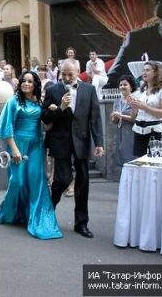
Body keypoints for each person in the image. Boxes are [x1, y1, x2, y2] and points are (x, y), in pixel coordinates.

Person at [0, 71, 62, 240]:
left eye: (30, 81)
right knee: (17, 181)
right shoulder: (14, 101)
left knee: (36, 182)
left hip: (36, 146)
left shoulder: (40, 103)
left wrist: (55, 111)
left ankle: (37, 219)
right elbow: (7, 126)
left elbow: (46, 127)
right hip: (18, 145)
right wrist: (14, 149)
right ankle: (8, 212)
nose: (26, 84)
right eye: (23, 81)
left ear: (35, 85)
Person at [42, 59, 104, 238]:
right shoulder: (53, 90)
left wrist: (98, 142)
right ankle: (49, 209)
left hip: (82, 142)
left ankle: (81, 224)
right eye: (64, 74)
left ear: (78, 72)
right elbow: (45, 116)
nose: (67, 78)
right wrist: (59, 107)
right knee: (63, 179)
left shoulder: (89, 90)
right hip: (59, 141)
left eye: (71, 74)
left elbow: (95, 118)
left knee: (83, 183)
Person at [128, 61, 162, 157]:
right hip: (139, 129)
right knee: (139, 162)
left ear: (156, 73)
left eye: (147, 70)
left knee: (155, 161)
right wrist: (134, 106)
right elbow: (133, 116)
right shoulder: (140, 92)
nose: (144, 73)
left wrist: (144, 107)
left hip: (155, 131)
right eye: (143, 70)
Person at [110, 75, 138, 165]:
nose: (122, 87)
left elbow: (135, 119)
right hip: (120, 134)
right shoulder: (117, 101)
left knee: (132, 158)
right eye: (120, 85)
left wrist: (120, 115)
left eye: (125, 85)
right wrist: (115, 117)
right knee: (122, 158)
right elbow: (114, 122)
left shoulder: (135, 99)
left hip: (132, 133)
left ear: (131, 87)